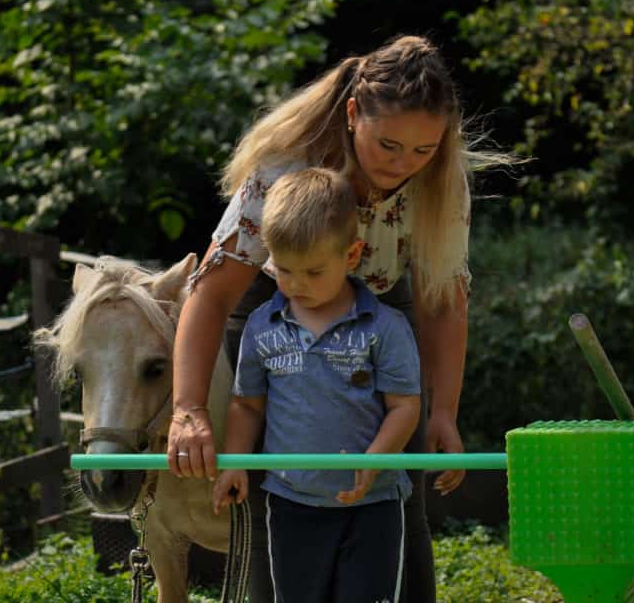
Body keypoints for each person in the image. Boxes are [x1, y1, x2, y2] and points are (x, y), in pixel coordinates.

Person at [168, 34, 504, 601]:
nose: (403, 164)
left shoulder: (442, 182)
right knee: (271, 482)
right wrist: (188, 410)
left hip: (381, 302)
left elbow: (443, 302)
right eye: (388, 144)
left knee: (398, 482)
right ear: (353, 115)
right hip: (277, 297)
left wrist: (443, 411)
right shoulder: (285, 167)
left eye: (422, 150)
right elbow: (211, 293)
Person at [212, 167, 422, 602]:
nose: (297, 285)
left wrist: (376, 459)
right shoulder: (260, 327)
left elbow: (405, 406)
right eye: (285, 270)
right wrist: (234, 463)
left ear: (352, 255)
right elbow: (247, 405)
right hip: (291, 503)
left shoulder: (385, 327)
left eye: (313, 271)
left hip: (373, 505)